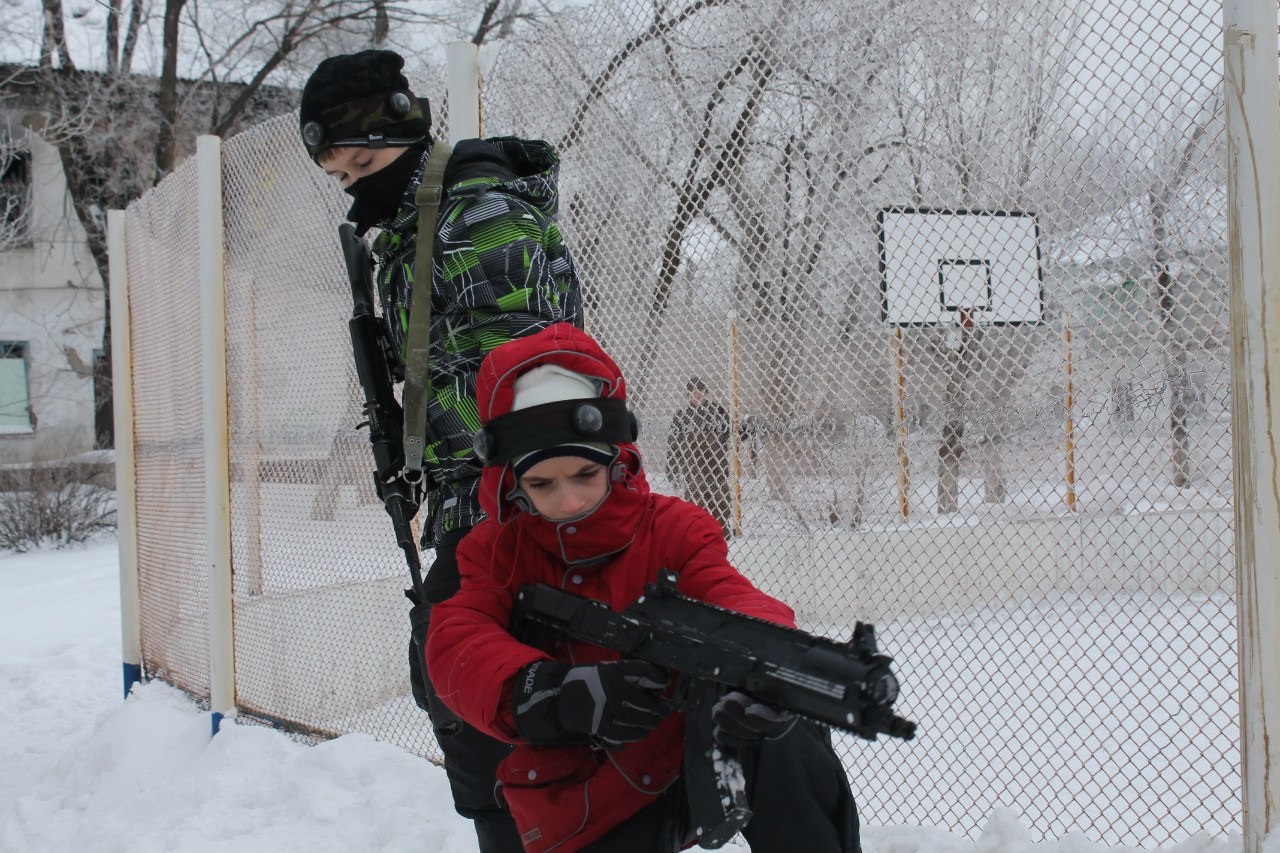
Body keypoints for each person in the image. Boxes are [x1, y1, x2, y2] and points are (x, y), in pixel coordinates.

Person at [426, 323, 860, 852]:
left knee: (782, 727)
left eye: (584, 474)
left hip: (687, 755)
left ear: (615, 460)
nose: (568, 501)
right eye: (542, 483)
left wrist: (765, 660)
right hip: (589, 795)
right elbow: (457, 640)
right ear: (512, 482)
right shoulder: (495, 552)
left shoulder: (674, 529)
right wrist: (550, 691)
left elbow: (731, 598)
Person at [298, 49, 582, 852]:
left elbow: (530, 385)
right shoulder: (415, 228)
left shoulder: (477, 220)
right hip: (474, 497)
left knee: (484, 701)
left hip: (516, 502)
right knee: (469, 698)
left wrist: (501, 513)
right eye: (339, 176)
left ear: (406, 134)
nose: (355, 187)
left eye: (364, 165)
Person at [667, 376, 733, 536]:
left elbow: (732, 433)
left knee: (721, 505)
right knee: (696, 507)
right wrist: (672, 469)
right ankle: (698, 536)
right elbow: (674, 444)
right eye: (693, 391)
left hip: (716, 466)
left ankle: (721, 534)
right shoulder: (682, 416)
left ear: (705, 392)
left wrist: (745, 428)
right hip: (693, 469)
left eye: (700, 391)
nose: (697, 394)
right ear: (689, 394)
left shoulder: (718, 411)